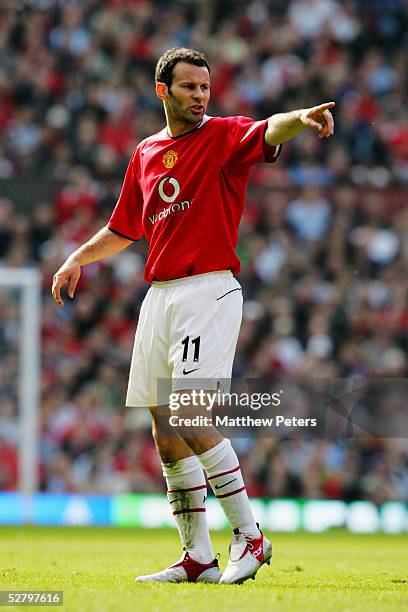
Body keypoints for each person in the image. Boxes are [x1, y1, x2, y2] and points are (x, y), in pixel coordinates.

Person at [52, 47, 335, 584]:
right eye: (188, 87)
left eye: (204, 87)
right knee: (164, 427)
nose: (200, 96)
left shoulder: (223, 136)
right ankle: (198, 557)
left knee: (190, 417)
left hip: (209, 289)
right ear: (163, 91)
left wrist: (301, 118)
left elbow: (268, 130)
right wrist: (75, 258)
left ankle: (251, 538)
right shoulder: (145, 153)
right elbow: (124, 228)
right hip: (159, 295)